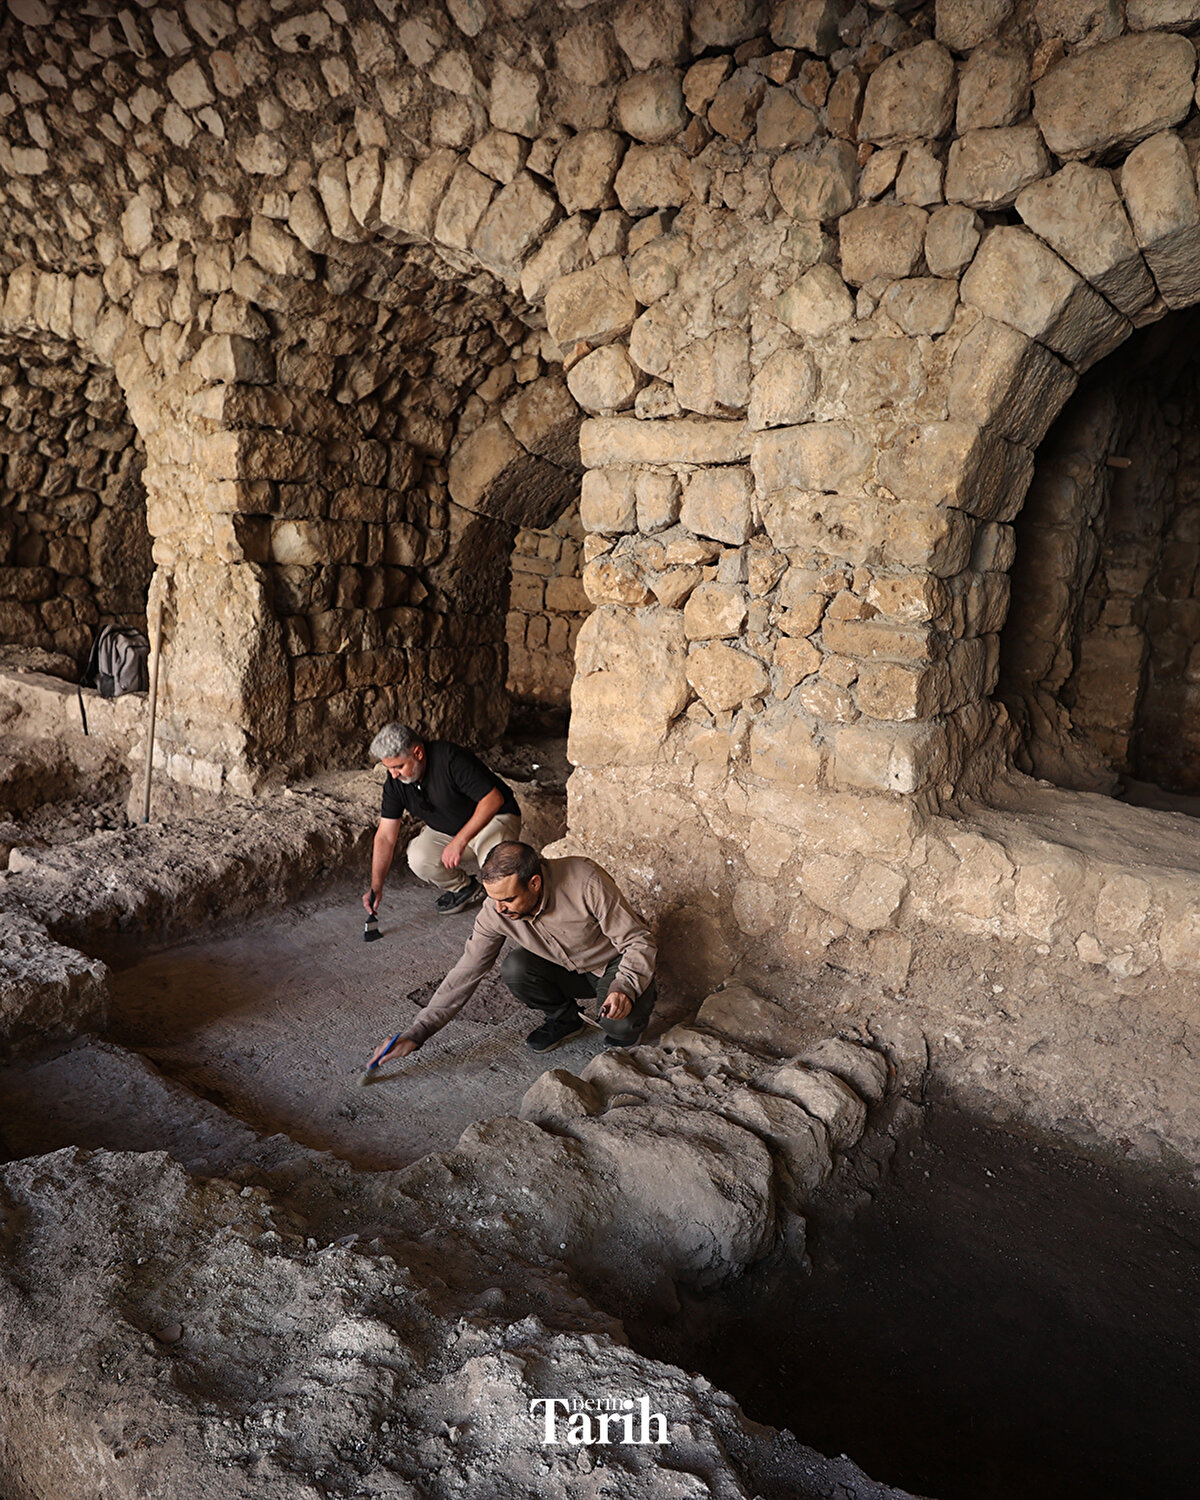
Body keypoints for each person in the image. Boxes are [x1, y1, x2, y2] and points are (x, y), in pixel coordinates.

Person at [366, 840, 658, 1064]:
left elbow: (638, 941)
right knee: (516, 968)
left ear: (535, 883)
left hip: (612, 965)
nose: (500, 908)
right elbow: (467, 971)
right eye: (494, 899)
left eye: (507, 899)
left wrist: (625, 987)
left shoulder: (585, 880)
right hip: (569, 971)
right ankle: (565, 1019)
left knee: (619, 1024)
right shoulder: (496, 910)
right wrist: (418, 1032)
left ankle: (631, 1009)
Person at [363, 722, 522, 917]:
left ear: (418, 753)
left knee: (497, 869)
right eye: (389, 768)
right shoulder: (395, 783)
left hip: (493, 819)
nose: (394, 775)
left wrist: (459, 841)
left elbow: (493, 799)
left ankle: (514, 910)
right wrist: (376, 885)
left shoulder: (450, 759)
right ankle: (465, 888)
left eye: (399, 766)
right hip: (450, 828)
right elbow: (385, 836)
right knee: (419, 857)